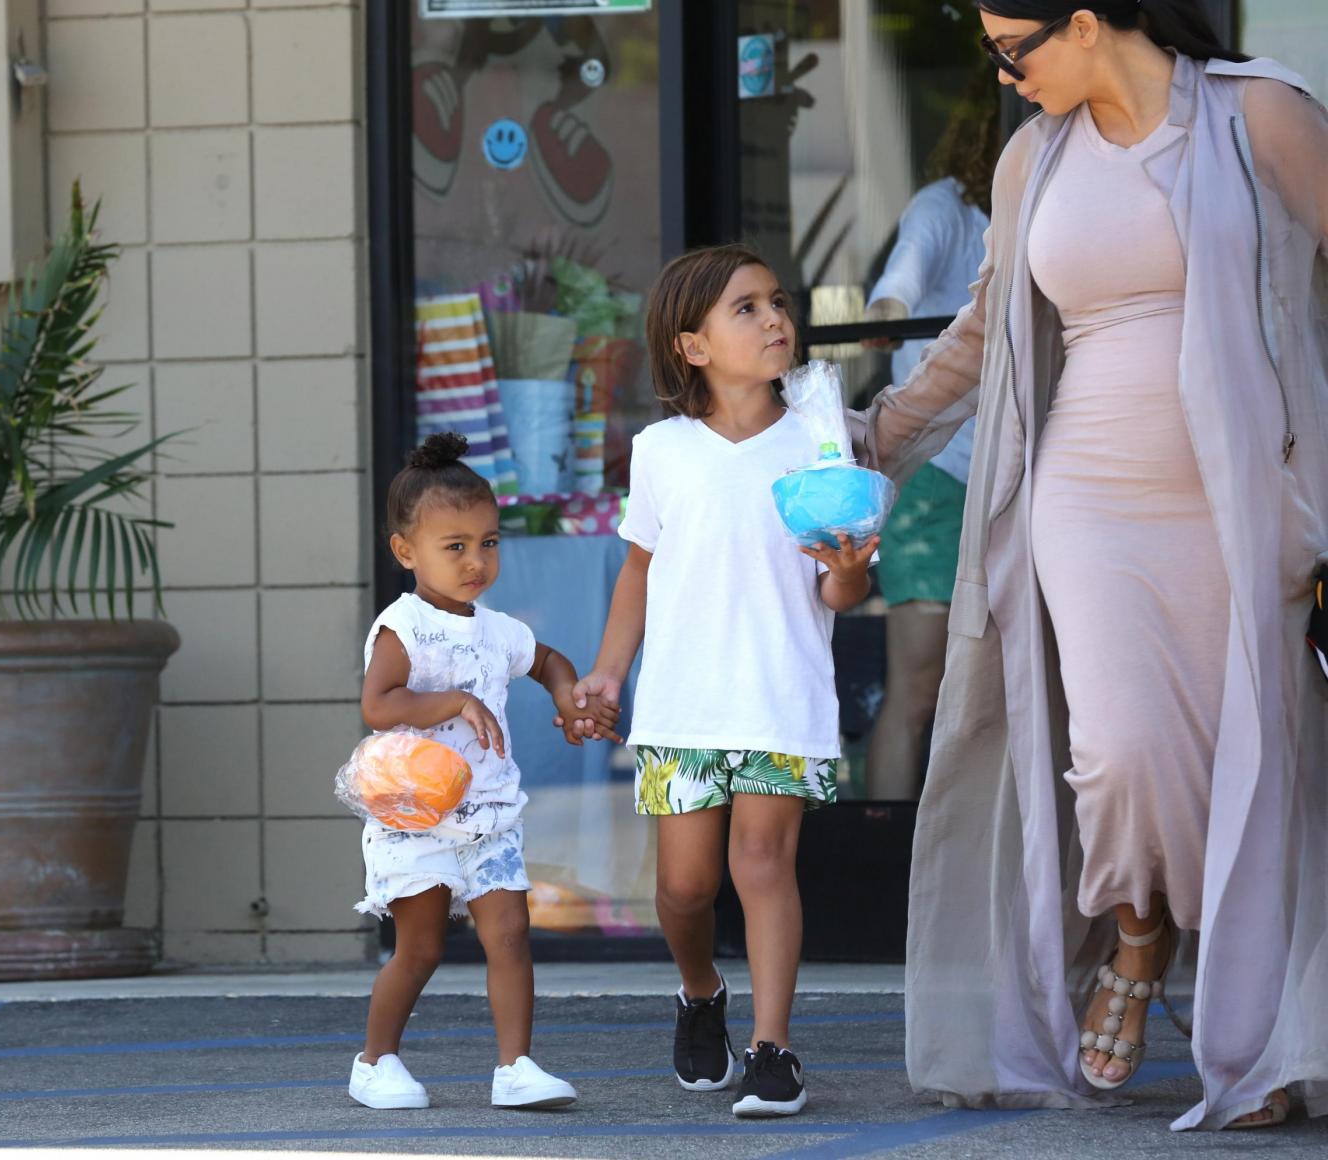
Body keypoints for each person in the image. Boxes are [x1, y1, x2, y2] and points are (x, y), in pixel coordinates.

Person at [847, 0, 1327, 1132]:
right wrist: (877, 443)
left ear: (1082, 21)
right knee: (1114, 752)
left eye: (1009, 49)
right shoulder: (1034, 160)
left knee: (1252, 758)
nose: (1000, 76)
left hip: (1245, 490)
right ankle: (1136, 931)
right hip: (1086, 492)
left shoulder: (1258, 113)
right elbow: (981, 329)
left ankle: (1253, 1036)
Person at [565, 244, 879, 1118]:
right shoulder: (661, 450)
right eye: (747, 308)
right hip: (683, 703)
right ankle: (701, 991)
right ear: (692, 345)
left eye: (778, 302)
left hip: (782, 694)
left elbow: (840, 590)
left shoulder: (824, 438)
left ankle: (774, 1048)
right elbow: (639, 571)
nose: (776, 318)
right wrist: (608, 672)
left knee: (763, 864)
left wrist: (850, 571)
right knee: (684, 888)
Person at [347, 431, 620, 1112]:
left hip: (490, 817)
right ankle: (375, 1062)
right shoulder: (403, 628)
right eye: (455, 546)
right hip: (416, 819)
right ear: (406, 552)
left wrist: (567, 698)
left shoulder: (498, 630)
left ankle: (515, 1067)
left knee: (510, 936)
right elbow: (379, 704)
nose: (476, 561)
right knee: (420, 949)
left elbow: (547, 660)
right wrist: (453, 701)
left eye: (488, 542)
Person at [861, 72, 1001, 800]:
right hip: (937, 477)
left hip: (1012, 478)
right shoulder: (943, 206)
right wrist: (884, 315)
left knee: (994, 698)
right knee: (918, 689)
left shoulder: (1044, 200)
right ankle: (884, 848)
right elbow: (899, 285)